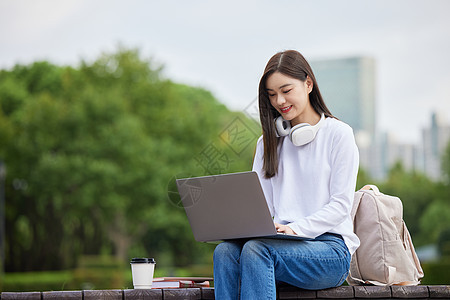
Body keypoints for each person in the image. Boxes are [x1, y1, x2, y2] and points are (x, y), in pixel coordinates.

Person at [213, 50, 360, 299]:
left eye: (286, 90)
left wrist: (294, 229)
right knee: (225, 252)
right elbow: (260, 206)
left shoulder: (339, 134)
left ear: (308, 84)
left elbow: (340, 207)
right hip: (279, 244)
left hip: (330, 249)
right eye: (272, 95)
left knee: (257, 251)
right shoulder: (267, 143)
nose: (279, 101)